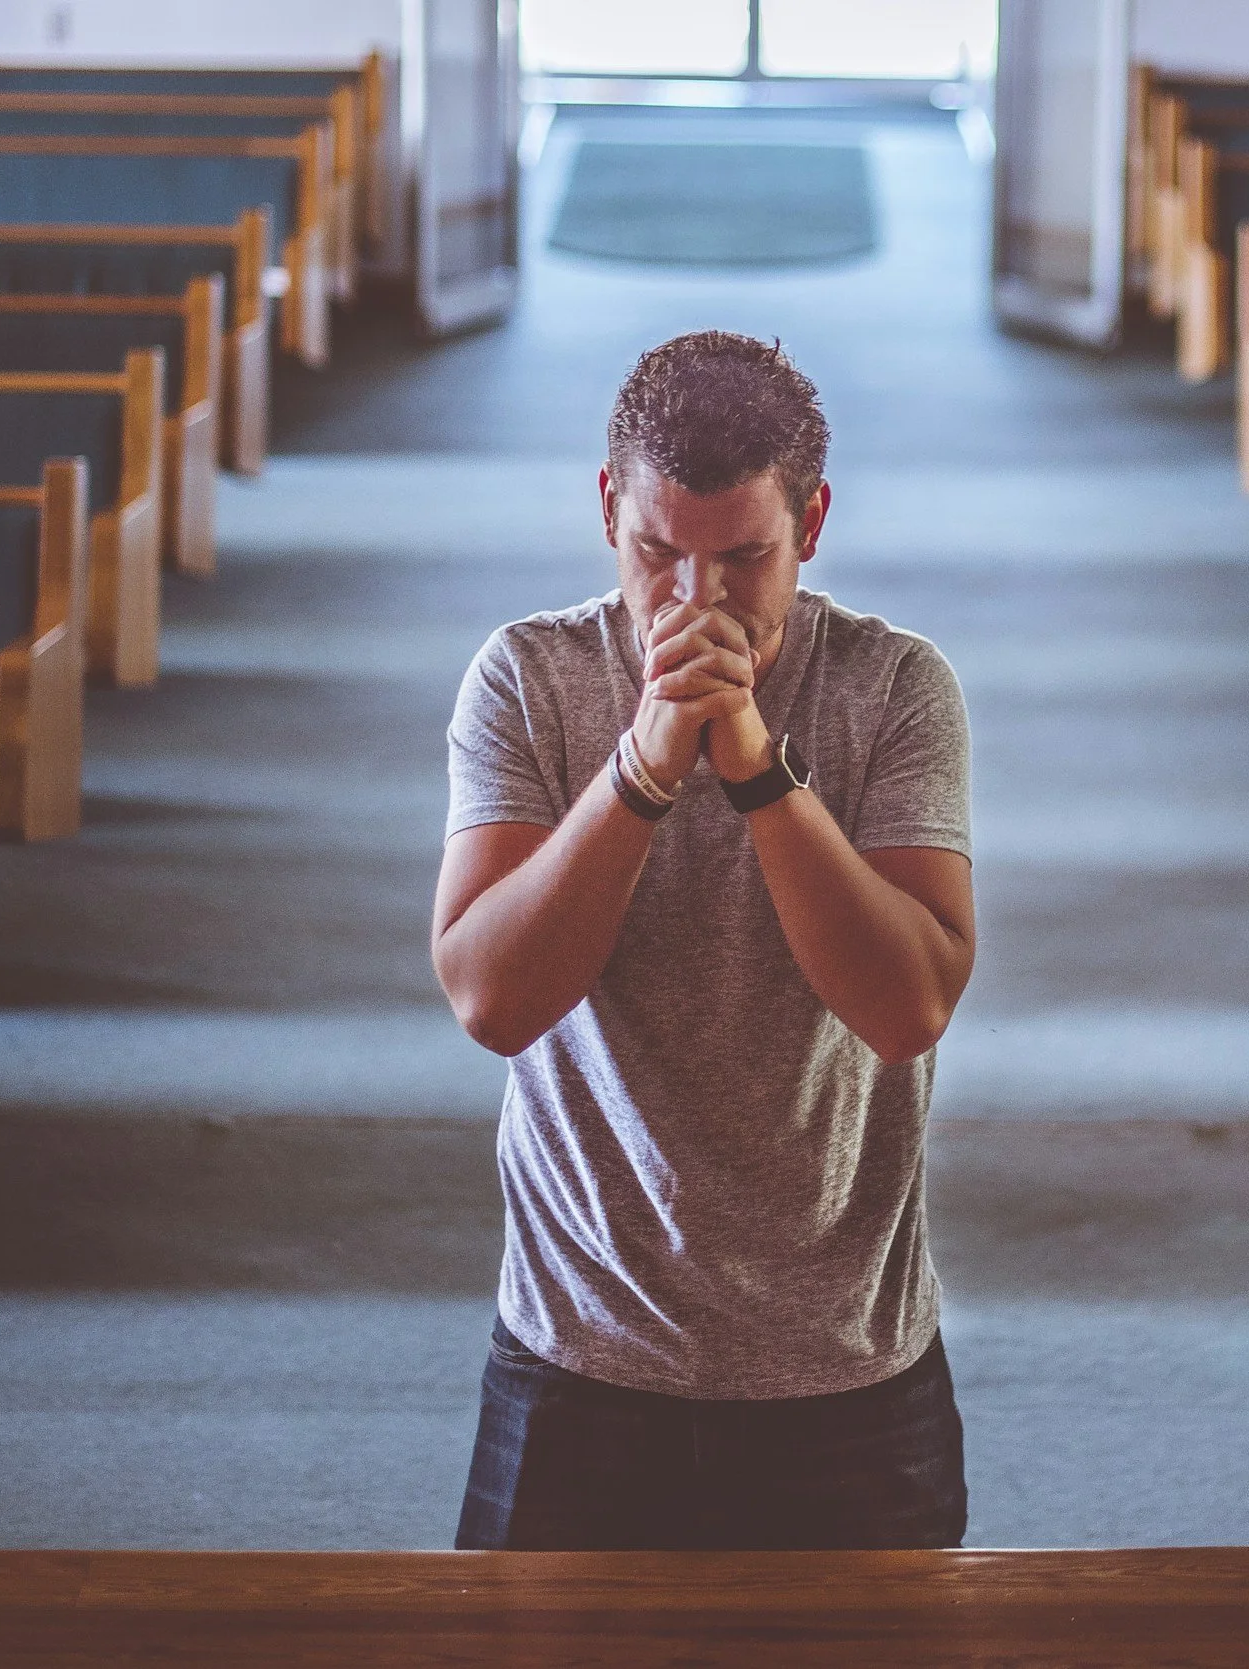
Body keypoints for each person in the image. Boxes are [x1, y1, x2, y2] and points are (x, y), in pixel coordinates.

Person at [431, 330, 977, 1550]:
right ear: (608, 511)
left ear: (813, 523)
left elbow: (907, 1008)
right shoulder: (528, 679)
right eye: (656, 556)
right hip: (579, 1356)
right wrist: (638, 767)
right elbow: (492, 1001)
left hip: (846, 1370)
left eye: (744, 560)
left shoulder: (893, 687)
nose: (695, 603)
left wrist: (756, 769)